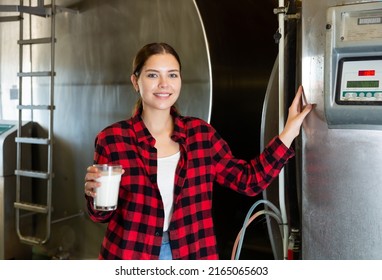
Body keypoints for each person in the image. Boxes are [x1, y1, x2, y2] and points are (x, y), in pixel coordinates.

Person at [83, 42, 313, 260]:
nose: (164, 84)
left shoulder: (200, 135)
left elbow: (249, 181)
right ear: (136, 81)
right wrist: (94, 196)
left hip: (192, 253)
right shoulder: (112, 139)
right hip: (130, 255)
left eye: (172, 74)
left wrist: (290, 130)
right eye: (153, 75)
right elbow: (101, 215)